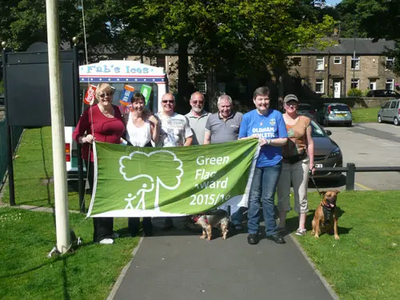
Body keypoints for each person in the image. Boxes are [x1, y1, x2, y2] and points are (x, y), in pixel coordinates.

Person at [72, 83, 125, 245]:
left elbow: (121, 130)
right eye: (102, 95)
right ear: (97, 97)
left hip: (113, 159)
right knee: (100, 194)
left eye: (108, 94)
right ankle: (100, 235)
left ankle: (109, 230)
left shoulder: (116, 110)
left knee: (111, 194)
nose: (105, 98)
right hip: (96, 159)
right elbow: (77, 135)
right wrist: (85, 139)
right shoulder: (91, 112)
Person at [238, 86, 288, 245]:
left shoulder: (277, 115)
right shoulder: (247, 117)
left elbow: (284, 139)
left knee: (267, 198)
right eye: (260, 99)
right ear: (254, 101)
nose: (263, 102)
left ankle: (271, 231)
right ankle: (253, 231)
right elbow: (240, 140)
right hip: (254, 163)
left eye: (266, 99)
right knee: (253, 198)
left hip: (273, 162)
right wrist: (250, 138)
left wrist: (270, 141)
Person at [203, 94, 244, 231]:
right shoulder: (211, 118)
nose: (225, 109)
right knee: (220, 189)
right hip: (217, 161)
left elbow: (244, 137)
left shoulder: (239, 117)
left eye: (228, 106)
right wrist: (207, 158)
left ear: (231, 106)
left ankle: (236, 219)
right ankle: (221, 218)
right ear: (218, 106)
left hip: (235, 161)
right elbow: (207, 139)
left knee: (235, 189)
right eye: (223, 106)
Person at [277, 94, 315, 236]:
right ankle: (281, 223)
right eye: (288, 103)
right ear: (284, 105)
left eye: (293, 103)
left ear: (297, 105)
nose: (291, 106)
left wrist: (311, 163)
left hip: (301, 161)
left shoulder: (305, 120)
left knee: (301, 193)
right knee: (282, 193)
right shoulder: (278, 118)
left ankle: (301, 226)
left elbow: (310, 142)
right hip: (283, 161)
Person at [124, 92, 160, 237]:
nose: (139, 106)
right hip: (131, 155)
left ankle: (147, 223)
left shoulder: (149, 118)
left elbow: (155, 139)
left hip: (146, 155)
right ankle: (132, 225)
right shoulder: (126, 117)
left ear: (144, 104)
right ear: (132, 104)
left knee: (147, 190)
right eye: (136, 103)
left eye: (141, 103)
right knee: (132, 190)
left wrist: (156, 123)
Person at [157, 93, 193, 230]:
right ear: (161, 103)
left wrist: (183, 151)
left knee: (179, 189)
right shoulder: (155, 118)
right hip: (161, 160)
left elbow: (189, 137)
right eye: (165, 101)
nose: (168, 103)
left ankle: (183, 219)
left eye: (170, 101)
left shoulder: (182, 118)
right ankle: (166, 219)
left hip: (178, 160)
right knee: (164, 190)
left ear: (174, 103)